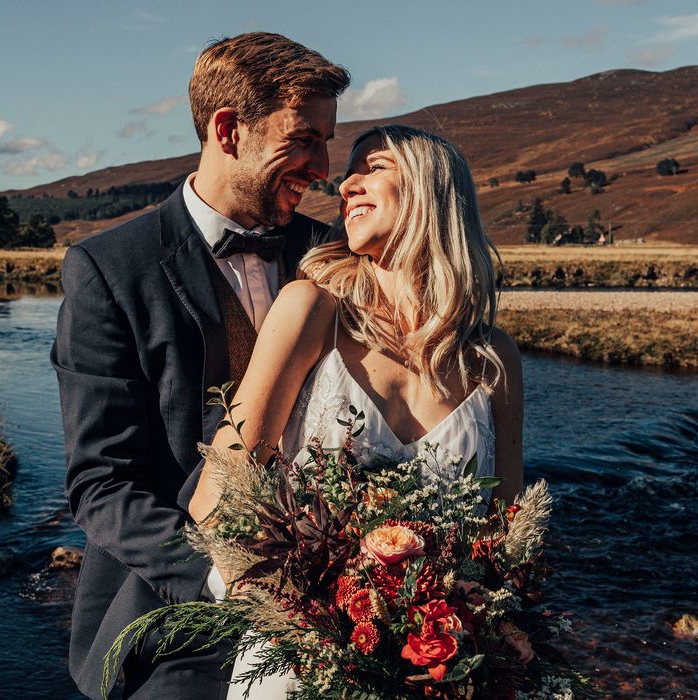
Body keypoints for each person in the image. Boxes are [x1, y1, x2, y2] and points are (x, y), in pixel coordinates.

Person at [51, 32, 349, 699]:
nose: (323, 166)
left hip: (333, 603)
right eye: (304, 139)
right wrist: (227, 577)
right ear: (227, 129)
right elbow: (101, 485)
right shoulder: (108, 269)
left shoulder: (333, 253)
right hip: (171, 616)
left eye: (327, 141)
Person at [189, 124, 524, 699]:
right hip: (302, 661)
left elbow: (504, 538)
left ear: (431, 191)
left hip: (435, 671)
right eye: (350, 173)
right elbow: (219, 494)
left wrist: (479, 629)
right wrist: (297, 624)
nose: (347, 184)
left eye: (374, 168)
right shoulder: (310, 309)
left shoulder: (493, 359)